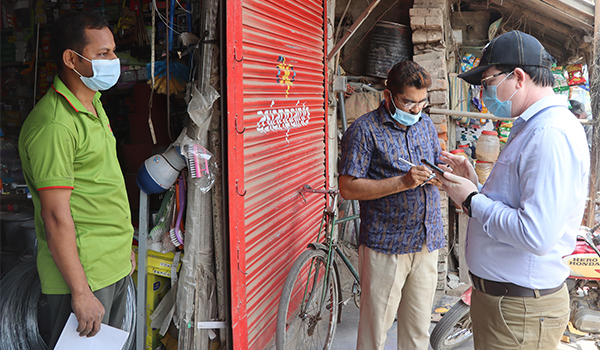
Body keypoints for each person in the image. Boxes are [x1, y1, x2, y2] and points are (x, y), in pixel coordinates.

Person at [438, 30, 590, 350]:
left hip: (519, 312)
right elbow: (515, 205)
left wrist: (471, 198)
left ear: (518, 77)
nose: (483, 94)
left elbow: (535, 234)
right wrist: (475, 185)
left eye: (488, 83)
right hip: (503, 304)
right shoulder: (530, 126)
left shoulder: (549, 134)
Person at [18, 11, 135, 349]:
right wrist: (81, 292)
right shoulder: (54, 125)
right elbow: (55, 216)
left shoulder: (94, 105)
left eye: (113, 51)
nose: (115, 60)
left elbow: (101, 185)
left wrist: (122, 248)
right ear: (72, 59)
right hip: (83, 277)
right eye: (103, 53)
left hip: (110, 264)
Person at [339, 60, 445, 350]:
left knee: (418, 332)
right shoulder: (364, 130)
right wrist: (402, 182)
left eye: (422, 102)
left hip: (425, 242)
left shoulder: (425, 125)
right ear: (388, 96)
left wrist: (443, 176)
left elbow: (433, 165)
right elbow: (347, 188)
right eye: (408, 102)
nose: (416, 110)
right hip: (386, 246)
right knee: (375, 335)